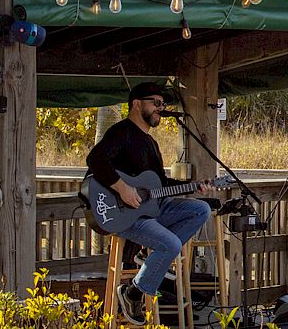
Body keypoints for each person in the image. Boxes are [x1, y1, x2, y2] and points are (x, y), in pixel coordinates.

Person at [90, 83, 215, 321]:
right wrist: (123, 188)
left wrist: (194, 186)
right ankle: (134, 292)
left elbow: (158, 185)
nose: (161, 108)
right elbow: (95, 159)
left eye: (163, 104)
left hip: (152, 209)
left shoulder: (150, 142)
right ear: (136, 104)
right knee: (171, 245)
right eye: (155, 103)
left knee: (201, 209)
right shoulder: (121, 132)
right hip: (126, 213)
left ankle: (150, 258)